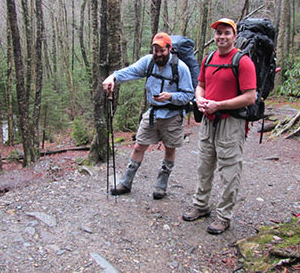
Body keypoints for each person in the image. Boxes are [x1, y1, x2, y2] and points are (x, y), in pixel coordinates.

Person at [182, 18, 256, 234]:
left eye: (226, 33)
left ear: (234, 36)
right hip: (208, 120)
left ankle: (224, 216)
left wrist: (219, 105)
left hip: (231, 122)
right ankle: (201, 205)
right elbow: (201, 85)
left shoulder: (243, 62)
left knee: (229, 170)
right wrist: (200, 100)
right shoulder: (209, 58)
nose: (221, 37)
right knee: (204, 166)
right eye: (218, 33)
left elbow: (250, 97)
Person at [102, 32, 194, 199]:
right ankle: (126, 182)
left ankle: (161, 185)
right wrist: (113, 77)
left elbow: (189, 95)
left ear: (169, 49)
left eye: (162, 51)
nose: (158, 54)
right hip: (153, 113)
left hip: (173, 116)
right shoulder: (148, 62)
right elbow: (130, 71)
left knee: (169, 148)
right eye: (155, 50)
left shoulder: (180, 68)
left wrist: (171, 96)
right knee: (139, 146)